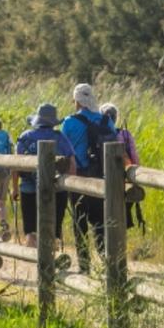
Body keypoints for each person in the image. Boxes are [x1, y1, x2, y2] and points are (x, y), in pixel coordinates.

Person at [60, 83, 119, 267]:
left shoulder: (69, 122)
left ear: (77, 101)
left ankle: (84, 264)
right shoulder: (105, 121)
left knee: (80, 222)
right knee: (100, 222)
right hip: (101, 177)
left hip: (77, 176)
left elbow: (62, 149)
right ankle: (106, 261)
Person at [14, 102, 76, 247]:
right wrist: (70, 184)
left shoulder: (25, 137)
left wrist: (15, 187)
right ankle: (51, 261)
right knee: (54, 229)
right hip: (56, 188)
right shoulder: (59, 137)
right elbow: (72, 162)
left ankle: (32, 263)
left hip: (29, 187)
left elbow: (15, 165)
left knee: (30, 231)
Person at [102, 102, 143, 232]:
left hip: (107, 179)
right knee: (123, 215)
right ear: (116, 117)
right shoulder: (125, 134)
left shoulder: (101, 134)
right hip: (127, 178)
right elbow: (134, 157)